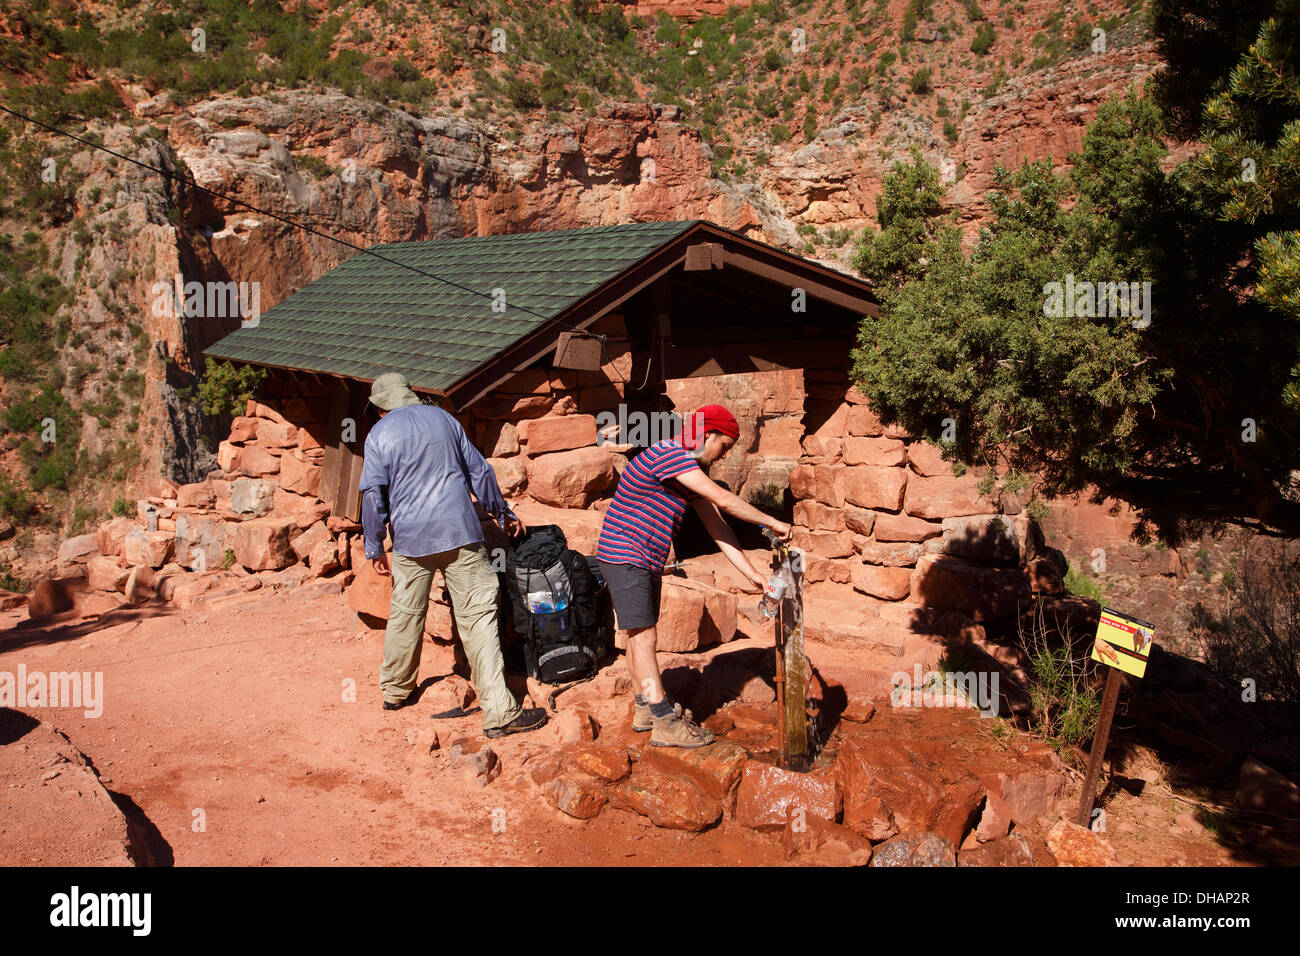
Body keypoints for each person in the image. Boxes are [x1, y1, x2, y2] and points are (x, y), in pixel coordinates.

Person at [359, 372, 547, 738]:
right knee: (478, 617)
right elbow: (480, 471)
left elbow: (371, 495)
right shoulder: (445, 419)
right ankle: (499, 712)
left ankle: (396, 691)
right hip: (459, 532)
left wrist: (373, 544)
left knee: (405, 613)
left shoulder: (378, 435)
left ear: (381, 407)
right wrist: (502, 513)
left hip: (412, 542)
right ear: (409, 396)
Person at [595, 404, 792, 748]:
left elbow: (718, 526)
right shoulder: (671, 455)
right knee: (644, 638)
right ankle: (664, 721)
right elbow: (724, 499)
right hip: (626, 556)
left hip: (640, 559)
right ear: (708, 434)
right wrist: (771, 522)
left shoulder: (689, 470)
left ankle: (645, 708)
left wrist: (754, 575)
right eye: (725, 446)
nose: (724, 455)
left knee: (637, 636)